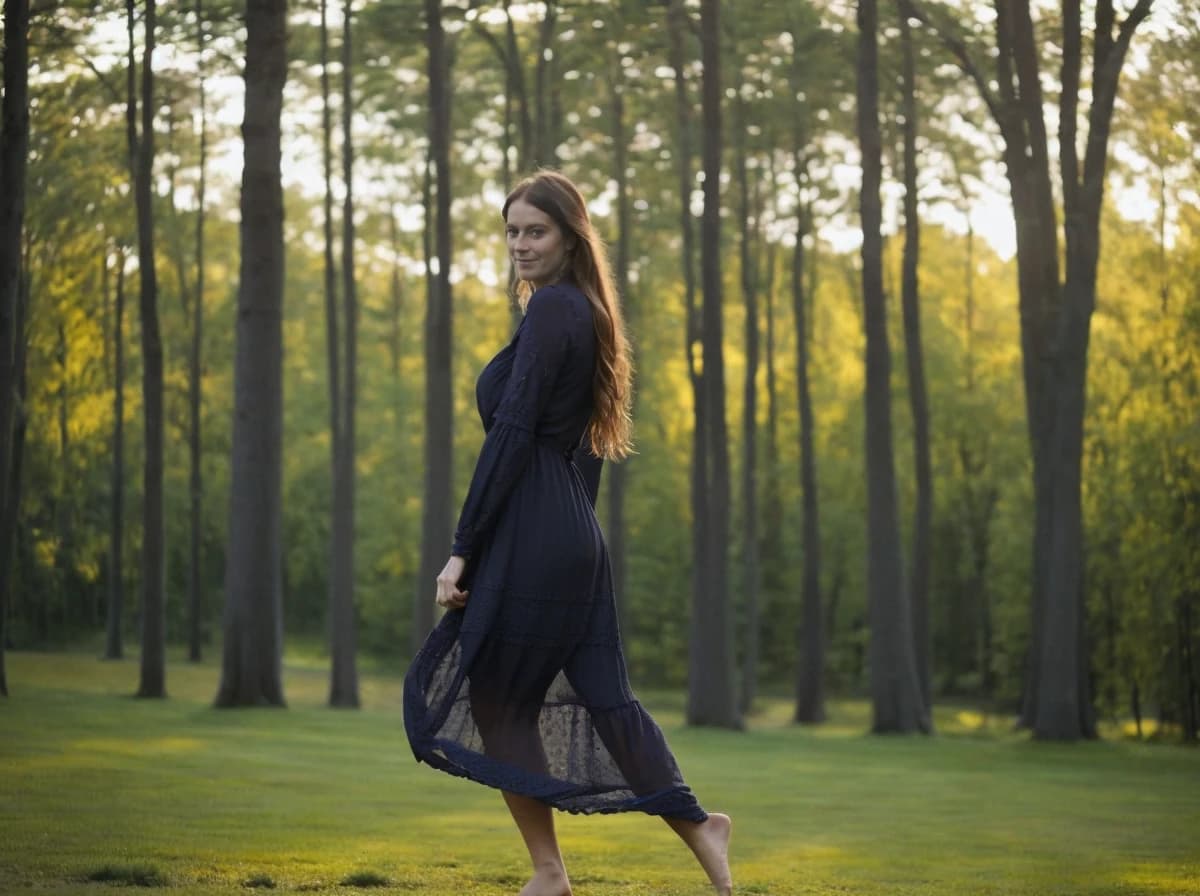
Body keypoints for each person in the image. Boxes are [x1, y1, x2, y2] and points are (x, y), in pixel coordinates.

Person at [403, 170, 732, 896]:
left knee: (492, 694)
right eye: (512, 232)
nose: (520, 244)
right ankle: (699, 827)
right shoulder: (587, 312)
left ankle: (551, 871)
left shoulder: (555, 309)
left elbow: (513, 432)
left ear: (570, 235)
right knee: (601, 694)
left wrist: (464, 548)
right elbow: (583, 453)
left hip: (538, 529)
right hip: (570, 532)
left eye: (535, 231)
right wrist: (575, 539)